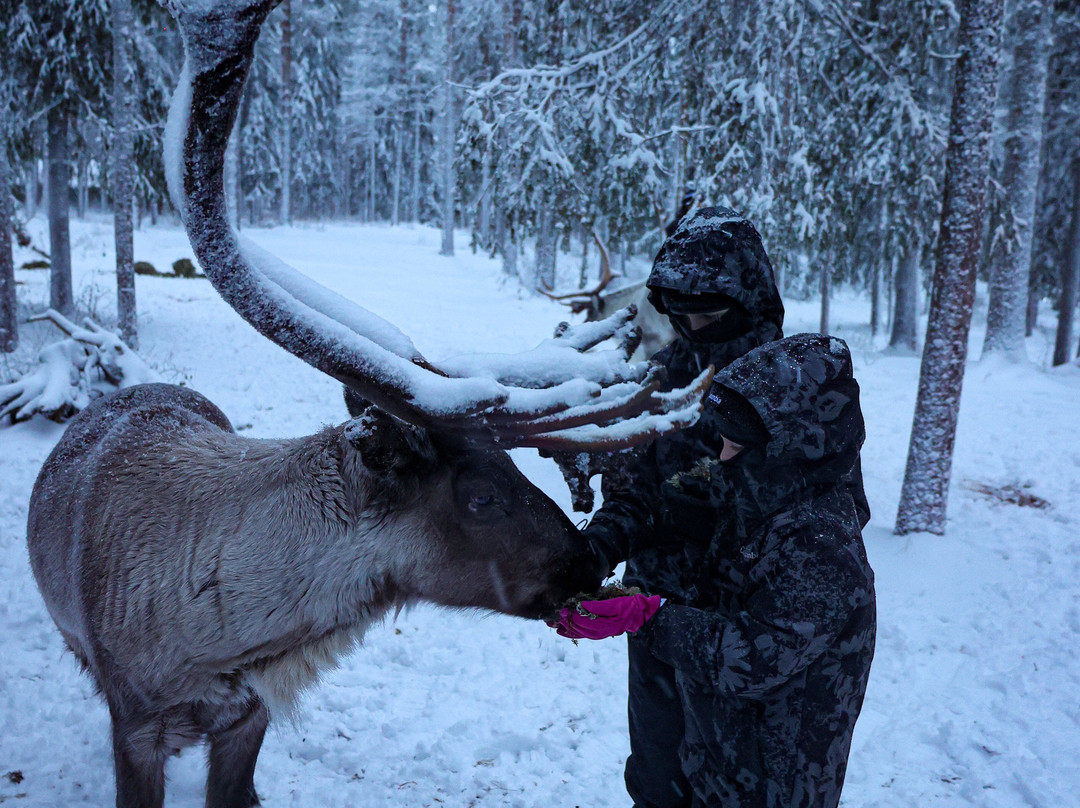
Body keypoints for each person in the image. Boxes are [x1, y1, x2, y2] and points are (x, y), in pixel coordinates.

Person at [556, 334, 876, 808]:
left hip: (776, 784)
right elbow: (662, 500)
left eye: (733, 445)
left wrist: (649, 618)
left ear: (787, 447)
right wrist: (593, 554)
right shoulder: (763, 487)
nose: (720, 457)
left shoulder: (819, 543)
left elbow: (752, 659)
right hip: (725, 763)